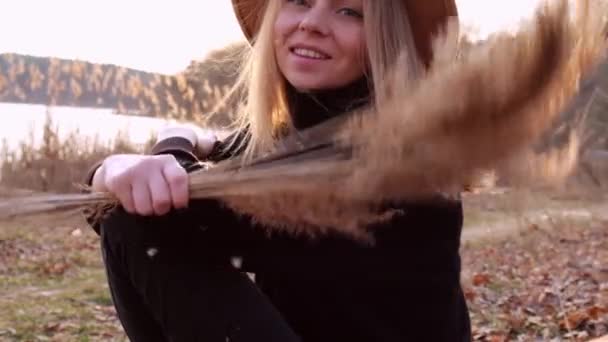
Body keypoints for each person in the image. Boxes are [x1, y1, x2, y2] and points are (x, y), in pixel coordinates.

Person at [84, 0, 471, 341]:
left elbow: (157, 211)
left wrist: (160, 148)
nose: (312, 23)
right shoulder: (301, 135)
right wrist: (176, 140)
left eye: (350, 11)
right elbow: (226, 146)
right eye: (299, 0)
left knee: (134, 220)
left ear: (386, 39)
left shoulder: (393, 159)